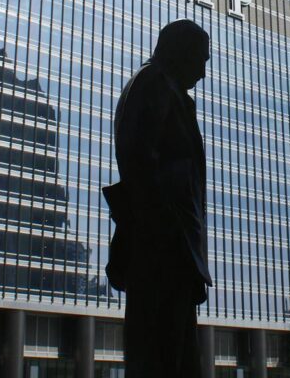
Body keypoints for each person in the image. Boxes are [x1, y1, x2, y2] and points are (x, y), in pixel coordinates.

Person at [105, 20, 212, 378]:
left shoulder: (168, 91)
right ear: (180, 52)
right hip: (162, 248)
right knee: (162, 357)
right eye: (201, 57)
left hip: (174, 251)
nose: (203, 69)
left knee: (178, 359)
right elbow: (139, 165)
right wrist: (165, 231)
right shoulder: (153, 84)